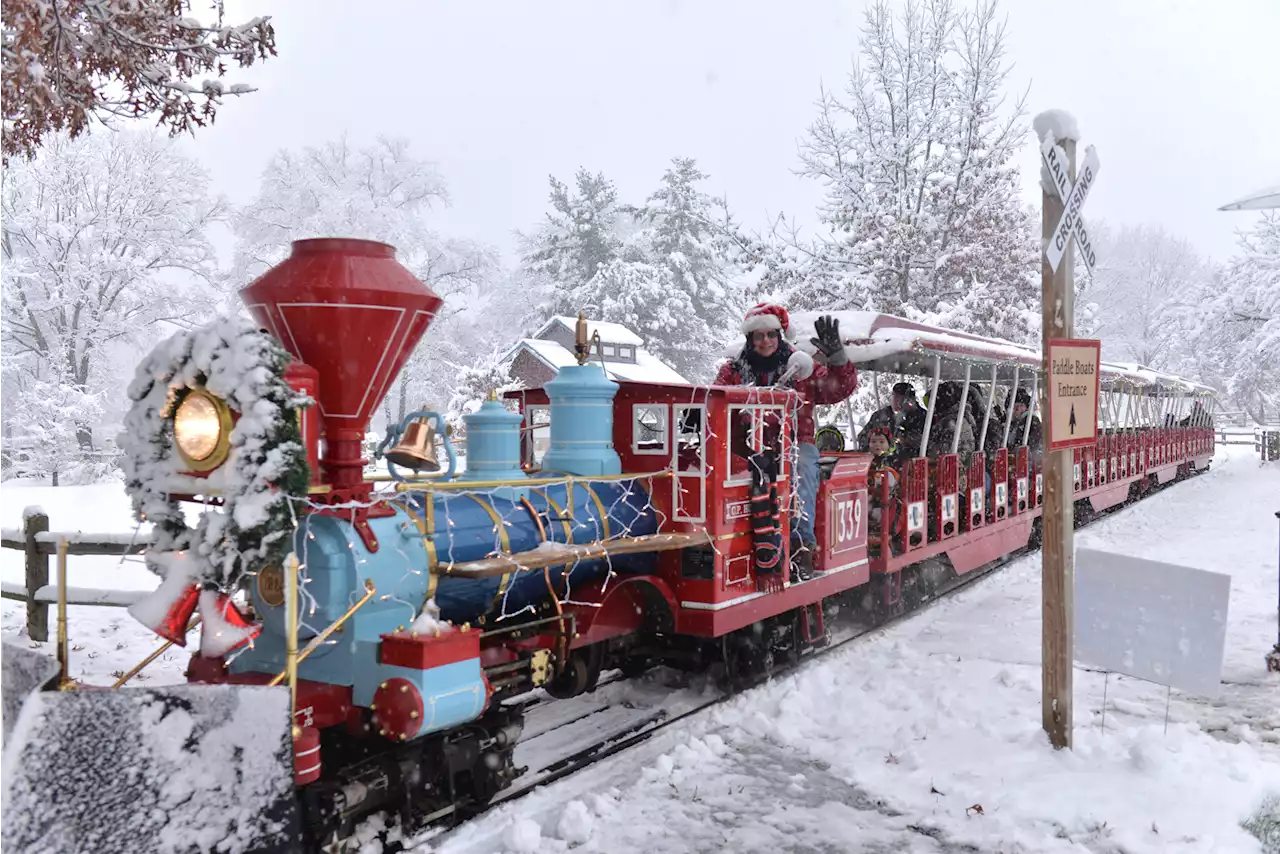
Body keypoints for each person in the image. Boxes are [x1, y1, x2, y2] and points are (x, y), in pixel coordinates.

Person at [715, 302, 858, 578]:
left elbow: (837, 389)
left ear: (780, 335)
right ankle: (729, 538)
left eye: (771, 334)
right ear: (750, 338)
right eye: (759, 335)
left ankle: (800, 544)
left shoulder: (802, 366)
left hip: (794, 442)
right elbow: (717, 397)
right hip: (745, 445)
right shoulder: (733, 370)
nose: (766, 341)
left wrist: (838, 360)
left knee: (802, 466)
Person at [857, 381, 914, 451]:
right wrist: (874, 443)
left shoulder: (921, 418)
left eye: (901, 399)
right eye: (894, 397)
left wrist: (905, 439)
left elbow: (923, 443)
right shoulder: (879, 416)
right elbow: (862, 437)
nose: (896, 401)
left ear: (910, 401)